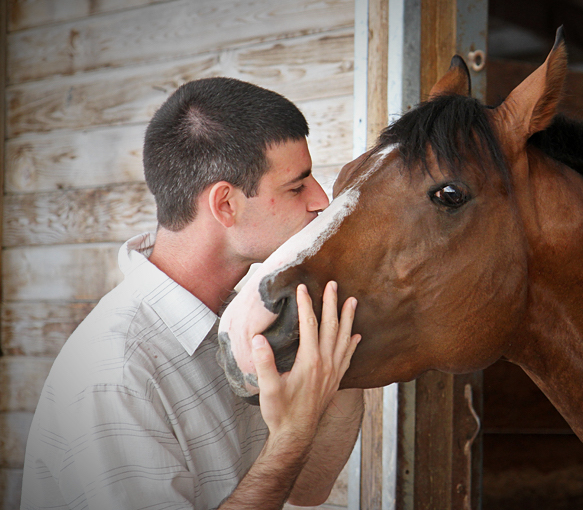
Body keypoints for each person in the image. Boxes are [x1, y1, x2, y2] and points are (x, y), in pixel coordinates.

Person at [21, 77, 364, 509]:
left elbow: (306, 488)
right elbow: (287, 459)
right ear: (225, 205)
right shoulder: (116, 373)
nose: (320, 200)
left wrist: (345, 368)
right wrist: (291, 434)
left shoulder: (244, 319)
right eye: (297, 186)